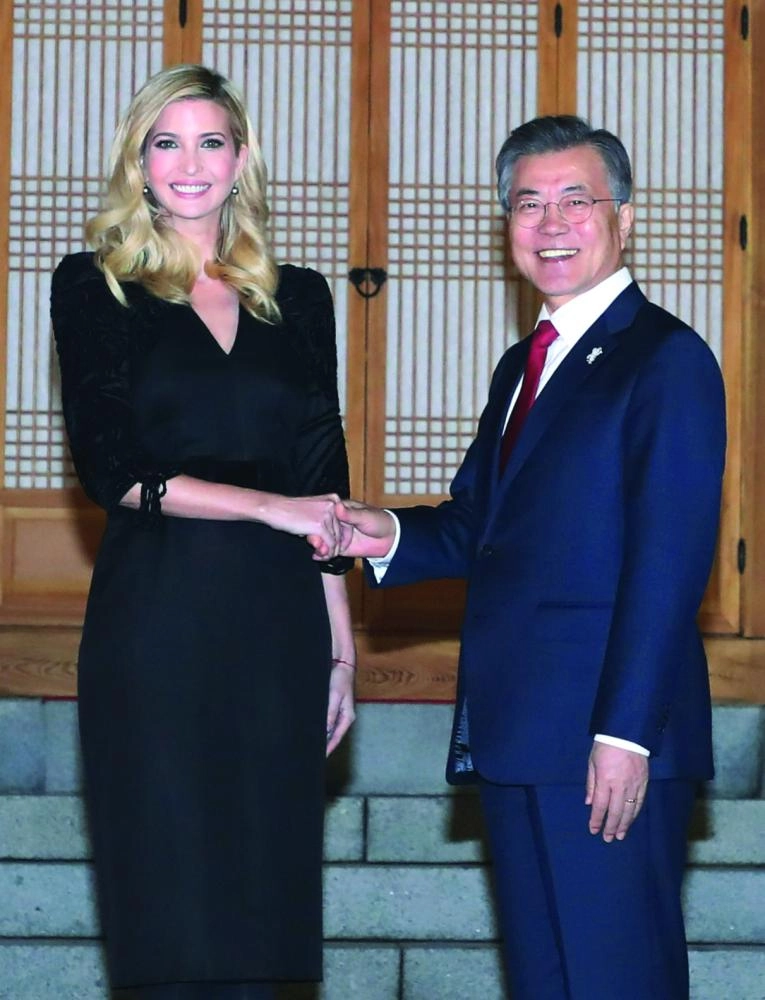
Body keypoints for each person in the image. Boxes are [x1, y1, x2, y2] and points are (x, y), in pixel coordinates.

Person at [331, 116, 726, 999]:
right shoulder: (523, 365)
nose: (550, 223)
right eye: (527, 203)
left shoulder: (664, 359)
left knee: (616, 980)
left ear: (623, 218)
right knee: (547, 983)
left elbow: (668, 565)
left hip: (607, 743)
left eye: (575, 200)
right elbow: (481, 524)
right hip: (520, 735)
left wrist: (623, 735)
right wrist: (380, 533)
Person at [51, 64, 356, 1000]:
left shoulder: (296, 296)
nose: (190, 163)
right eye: (166, 141)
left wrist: (340, 645)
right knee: (169, 913)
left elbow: (322, 476)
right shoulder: (93, 284)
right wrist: (268, 508)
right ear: (138, 162)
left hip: (279, 630)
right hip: (159, 623)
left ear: (241, 158)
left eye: (210, 140)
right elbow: (115, 472)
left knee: (265, 918)